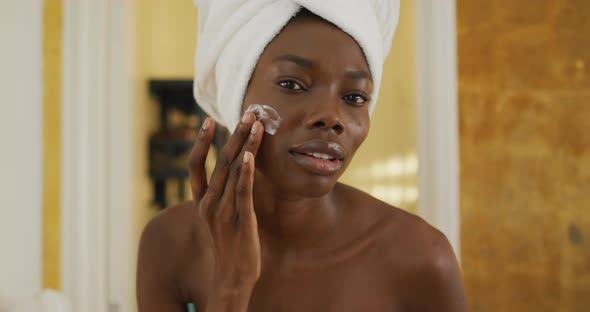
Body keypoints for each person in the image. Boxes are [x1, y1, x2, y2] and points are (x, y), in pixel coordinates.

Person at [137, 1, 467, 311]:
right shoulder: (169, 245)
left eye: (354, 97)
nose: (331, 117)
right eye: (292, 84)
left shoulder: (421, 258)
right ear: (235, 95)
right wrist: (231, 288)